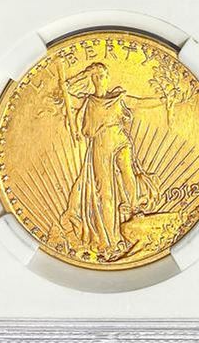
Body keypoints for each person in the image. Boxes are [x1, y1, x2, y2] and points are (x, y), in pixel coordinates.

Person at [59, 62, 161, 260]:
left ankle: (134, 208)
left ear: (107, 78)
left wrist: (162, 99)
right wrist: (71, 82)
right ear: (92, 79)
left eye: (103, 75)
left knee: (127, 172)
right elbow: (72, 98)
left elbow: (139, 102)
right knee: (105, 191)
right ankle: (110, 239)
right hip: (100, 145)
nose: (100, 80)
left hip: (120, 139)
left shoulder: (117, 98)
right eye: (96, 76)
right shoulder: (89, 102)